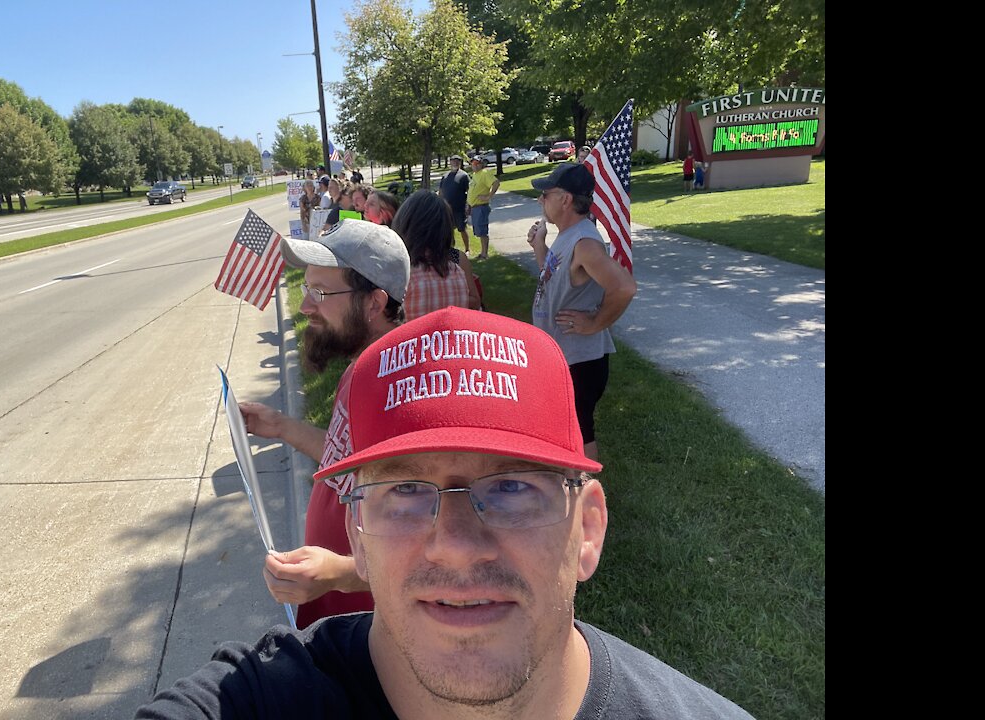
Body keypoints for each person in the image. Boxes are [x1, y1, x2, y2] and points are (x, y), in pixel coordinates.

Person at [136, 308, 754, 720]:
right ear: (356, 530)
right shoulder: (256, 701)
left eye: (512, 487)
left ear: (588, 528)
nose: (456, 546)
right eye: (404, 490)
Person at [239, 219, 410, 629]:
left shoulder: (397, 387)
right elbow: (347, 462)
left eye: (319, 293)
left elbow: (418, 543)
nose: (304, 306)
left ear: (374, 302)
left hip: (366, 627)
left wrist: (339, 574)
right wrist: (279, 426)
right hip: (336, 608)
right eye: (306, 288)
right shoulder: (364, 367)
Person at [526, 164, 637, 464]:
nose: (540, 201)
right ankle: (571, 484)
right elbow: (552, 277)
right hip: (566, 355)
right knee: (568, 427)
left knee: (581, 429)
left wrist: (595, 323)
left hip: (581, 360)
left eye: (545, 194)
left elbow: (624, 288)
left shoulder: (585, 243)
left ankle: (585, 493)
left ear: (565, 199)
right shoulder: (568, 235)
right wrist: (540, 247)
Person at [392, 189, 481, 319]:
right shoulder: (457, 272)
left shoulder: (402, 273)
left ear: (405, 224)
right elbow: (473, 304)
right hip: (450, 337)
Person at [467, 156, 500, 260]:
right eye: (472, 163)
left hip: (481, 207)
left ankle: (484, 254)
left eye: (477, 163)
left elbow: (496, 183)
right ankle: (482, 253)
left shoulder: (485, 173)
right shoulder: (475, 175)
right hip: (474, 207)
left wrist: (489, 196)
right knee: (479, 231)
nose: (474, 165)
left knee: (482, 231)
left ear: (481, 164)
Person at [438, 155, 472, 253]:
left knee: (462, 229)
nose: (455, 163)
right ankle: (451, 249)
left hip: (459, 208)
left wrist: (468, 205)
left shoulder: (464, 175)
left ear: (460, 163)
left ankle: (467, 249)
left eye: (457, 161)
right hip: (447, 209)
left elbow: (469, 191)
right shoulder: (445, 176)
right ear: (450, 162)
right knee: (448, 230)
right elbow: (440, 191)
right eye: (453, 161)